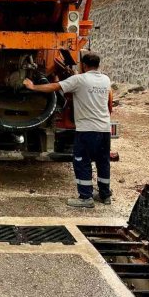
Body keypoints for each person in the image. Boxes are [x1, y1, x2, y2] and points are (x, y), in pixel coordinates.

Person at [23, 52, 112, 208]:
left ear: (83, 65)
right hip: (104, 129)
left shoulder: (79, 80)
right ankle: (105, 195)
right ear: (98, 65)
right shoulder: (106, 80)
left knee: (82, 161)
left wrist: (33, 86)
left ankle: (85, 197)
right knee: (103, 162)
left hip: (87, 130)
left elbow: (54, 87)